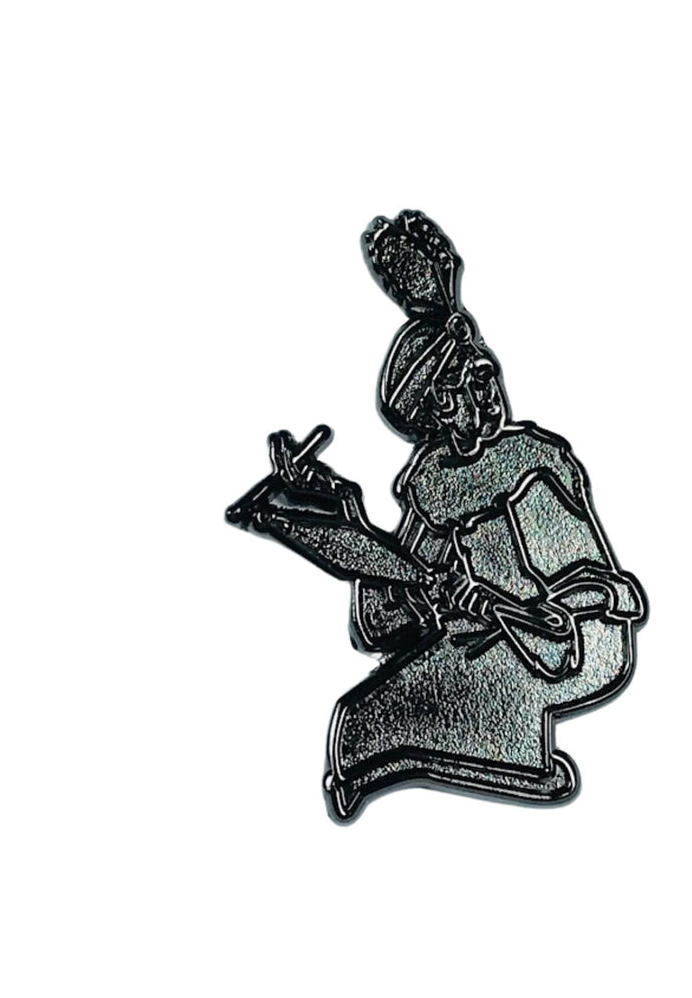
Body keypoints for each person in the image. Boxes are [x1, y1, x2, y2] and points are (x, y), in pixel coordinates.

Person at [227, 210, 646, 821]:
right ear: (436, 409)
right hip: (492, 637)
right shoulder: (431, 480)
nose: (487, 392)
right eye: (464, 385)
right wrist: (341, 511)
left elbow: (587, 598)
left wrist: (497, 605)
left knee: (382, 719)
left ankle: (515, 755)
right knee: (358, 718)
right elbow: (387, 623)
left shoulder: (532, 461)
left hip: (577, 643)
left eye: (484, 375)